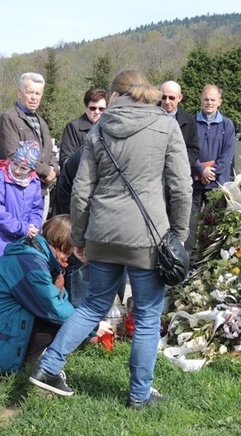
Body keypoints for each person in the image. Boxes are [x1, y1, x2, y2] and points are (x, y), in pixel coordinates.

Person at [29, 70, 191, 409]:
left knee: (91, 305)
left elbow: (81, 189)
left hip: (102, 232)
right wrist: (179, 234)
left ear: (117, 95)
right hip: (148, 238)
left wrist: (79, 237)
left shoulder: (101, 127)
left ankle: (48, 367)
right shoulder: (165, 124)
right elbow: (181, 188)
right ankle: (139, 394)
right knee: (147, 315)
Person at [0, 215, 77, 372]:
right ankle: (19, 369)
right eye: (68, 253)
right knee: (52, 321)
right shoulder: (30, 262)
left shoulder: (38, 255)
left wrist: (59, 285)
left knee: (54, 318)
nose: (68, 259)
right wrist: (92, 327)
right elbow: (53, 306)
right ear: (61, 244)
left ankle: (23, 364)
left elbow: (57, 301)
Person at [0, 72, 59, 220]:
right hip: (18, 192)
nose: (34, 97)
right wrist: (45, 171)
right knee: (20, 237)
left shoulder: (41, 122)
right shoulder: (9, 118)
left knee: (35, 237)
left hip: (40, 191)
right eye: (30, 92)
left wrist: (53, 170)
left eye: (38, 93)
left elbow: (49, 152)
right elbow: (12, 156)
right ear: (19, 92)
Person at [186, 84, 235, 255]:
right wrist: (200, 169)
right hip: (195, 182)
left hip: (217, 185)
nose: (209, 102)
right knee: (190, 224)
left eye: (213, 99)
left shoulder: (227, 125)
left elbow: (227, 154)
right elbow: (187, 149)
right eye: (206, 99)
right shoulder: (191, 122)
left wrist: (211, 172)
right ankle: (189, 260)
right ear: (201, 100)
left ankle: (208, 260)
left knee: (213, 224)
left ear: (219, 102)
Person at [0, 140, 44, 265]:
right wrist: (22, 228)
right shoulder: (0, 177)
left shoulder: (34, 181)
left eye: (24, 168)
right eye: (15, 164)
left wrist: (33, 227)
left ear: (32, 169)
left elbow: (36, 209)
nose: (17, 170)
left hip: (23, 242)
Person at [58, 87, 108, 167]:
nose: (97, 112)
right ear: (86, 108)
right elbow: (65, 161)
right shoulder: (73, 128)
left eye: (101, 109)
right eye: (93, 108)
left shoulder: (108, 129)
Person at [159, 81, 200, 170]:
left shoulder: (189, 120)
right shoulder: (151, 116)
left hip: (178, 172)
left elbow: (193, 150)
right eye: (163, 97)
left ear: (180, 98)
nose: (167, 101)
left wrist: (181, 165)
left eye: (171, 98)